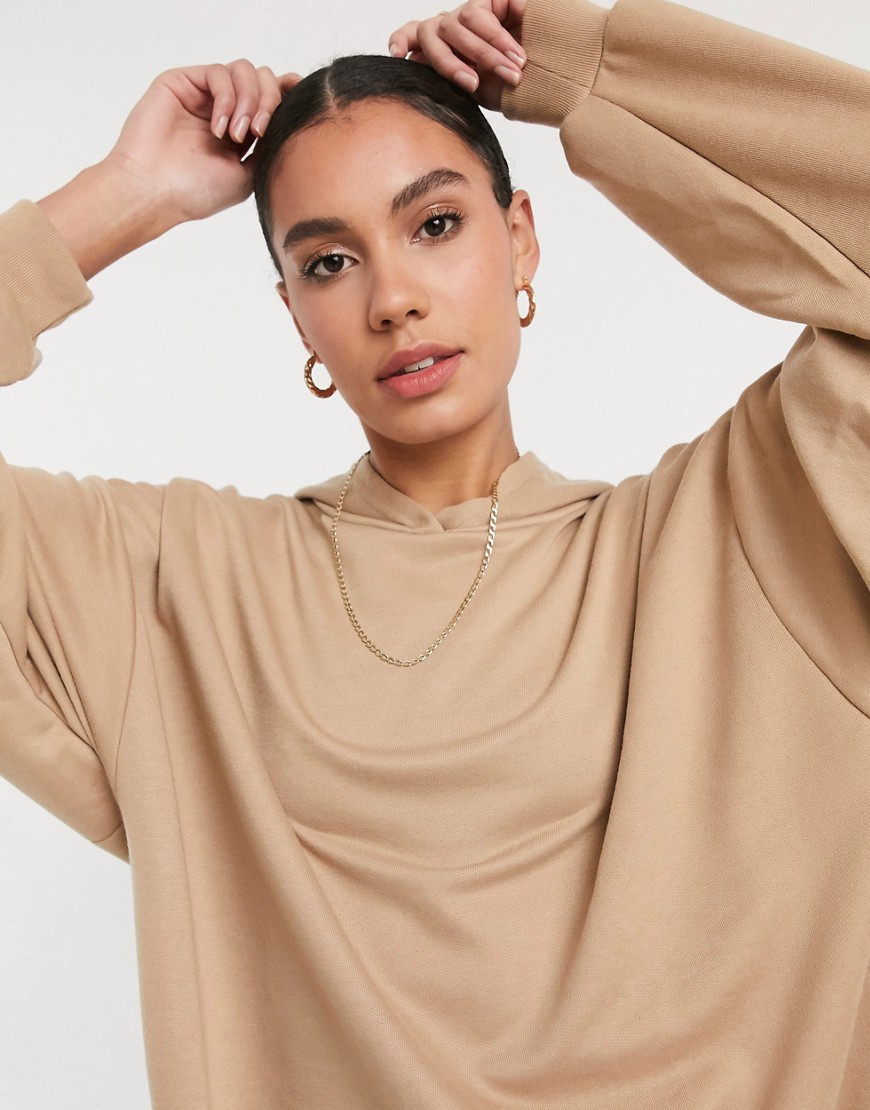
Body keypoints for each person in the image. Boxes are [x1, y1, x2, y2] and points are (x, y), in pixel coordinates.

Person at [1, 0, 868, 1105]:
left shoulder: (741, 535)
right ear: (295, 317)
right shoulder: (175, 592)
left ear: (521, 239)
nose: (394, 299)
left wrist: (584, 72)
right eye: (329, 262)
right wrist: (125, 195)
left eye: (437, 224)